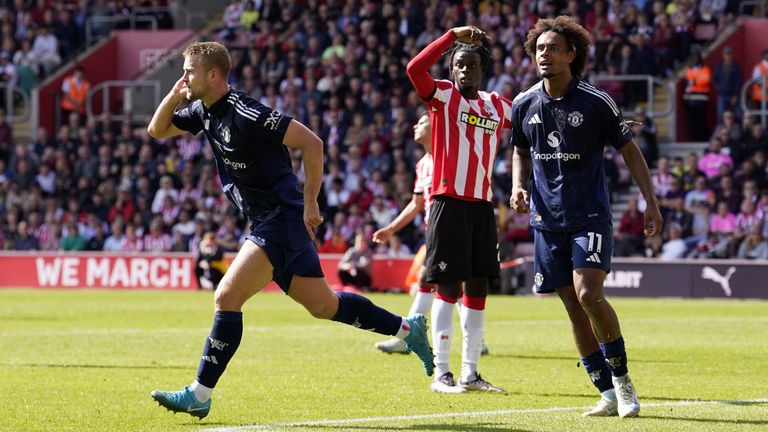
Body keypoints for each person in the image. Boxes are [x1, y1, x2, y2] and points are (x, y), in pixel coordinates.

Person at [147, 41, 433, 419]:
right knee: (324, 305)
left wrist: (311, 200)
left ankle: (200, 393)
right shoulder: (202, 112)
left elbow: (311, 143)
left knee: (226, 297)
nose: (184, 77)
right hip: (269, 220)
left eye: (189, 71)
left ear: (213, 75)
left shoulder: (246, 112)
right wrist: (174, 93)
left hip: (280, 218)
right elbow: (157, 129)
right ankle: (406, 328)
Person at [510, 16, 662, 418]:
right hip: (546, 220)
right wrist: (517, 185)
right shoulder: (524, 103)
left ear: (571, 54)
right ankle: (606, 393)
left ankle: (624, 383)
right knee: (572, 307)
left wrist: (651, 201)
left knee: (589, 295)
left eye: (553, 48)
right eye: (540, 48)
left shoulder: (595, 101)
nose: (545, 54)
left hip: (589, 215)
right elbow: (520, 149)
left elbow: (630, 151)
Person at [407, 25, 511, 394]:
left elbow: (535, 118)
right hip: (448, 204)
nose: (465, 71)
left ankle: (470, 372)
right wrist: (451, 37)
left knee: (478, 288)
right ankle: (442, 373)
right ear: (452, 71)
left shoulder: (497, 105)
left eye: (471, 66)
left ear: (483, 71)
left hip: (482, 206)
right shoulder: (444, 97)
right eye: (459, 66)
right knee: (447, 286)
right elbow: (415, 70)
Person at [372, 114, 490, 357]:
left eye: (422, 122)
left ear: (435, 127)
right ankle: (475, 339)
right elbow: (416, 203)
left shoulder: (448, 158)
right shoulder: (422, 163)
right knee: (448, 285)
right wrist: (391, 229)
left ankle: (407, 335)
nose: (415, 126)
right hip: (434, 233)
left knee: (431, 278)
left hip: (450, 231)